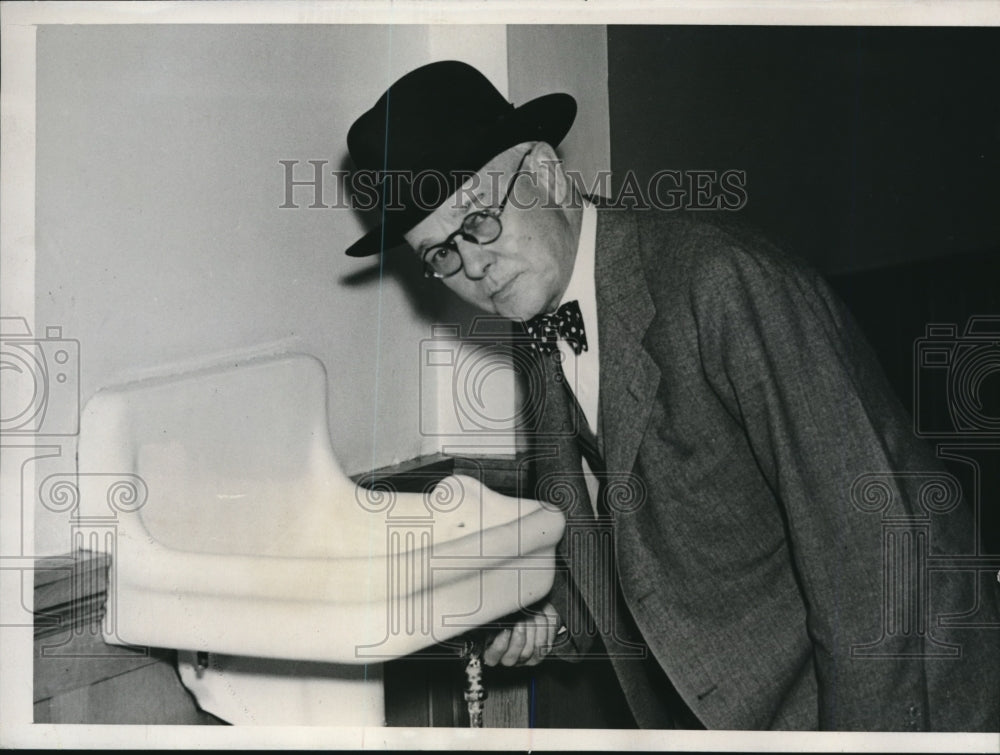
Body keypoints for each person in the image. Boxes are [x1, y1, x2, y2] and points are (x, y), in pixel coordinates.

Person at [344, 60, 1000, 731]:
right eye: (440, 254)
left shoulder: (723, 285)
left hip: (904, 701)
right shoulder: (539, 323)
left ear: (543, 173)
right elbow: (621, 537)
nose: (472, 265)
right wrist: (552, 617)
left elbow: (870, 557)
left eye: (478, 220)